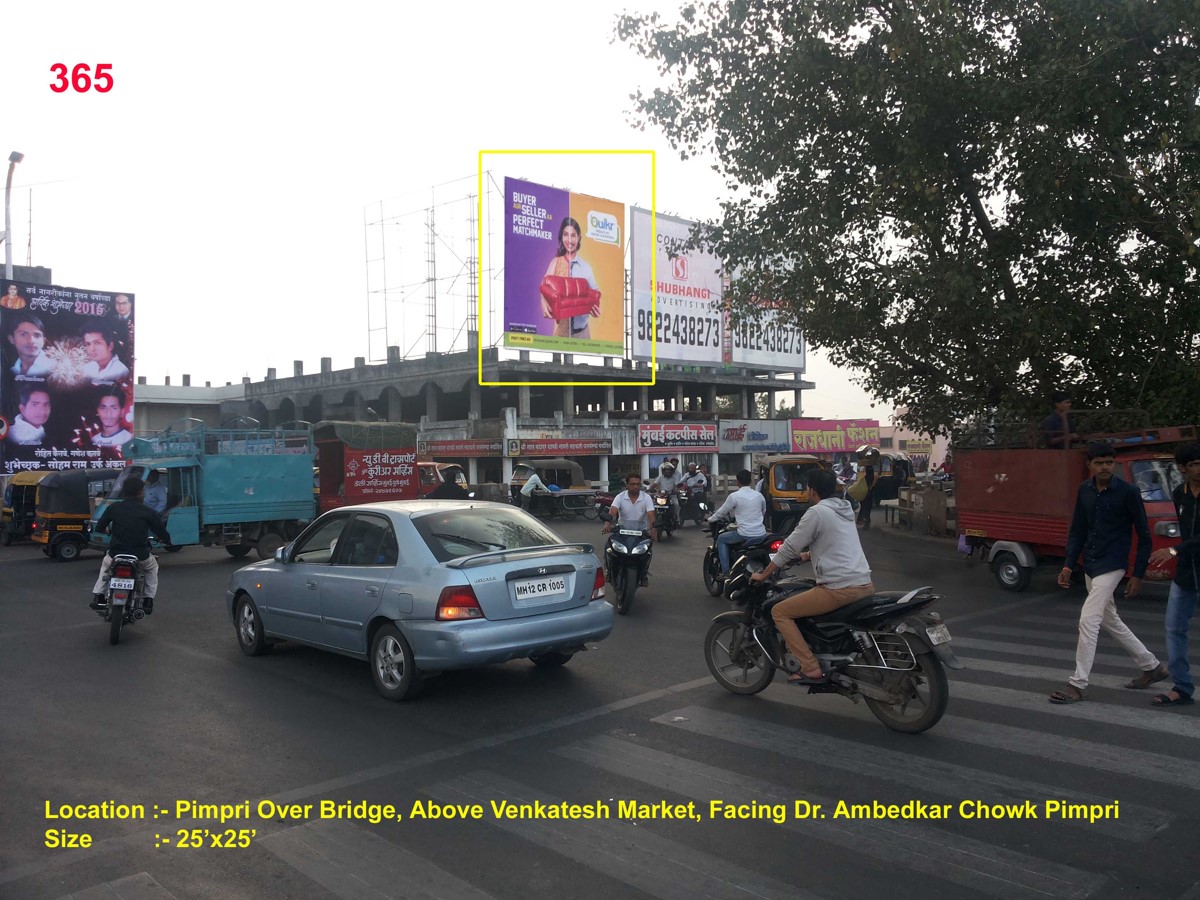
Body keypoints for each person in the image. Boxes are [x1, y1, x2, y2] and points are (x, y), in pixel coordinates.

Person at [1049, 441, 1166, 704]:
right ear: (1089, 465)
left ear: (1114, 464)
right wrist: (1068, 564)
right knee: (1110, 619)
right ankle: (1152, 666)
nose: (1104, 467)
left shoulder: (1128, 492)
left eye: (1109, 462)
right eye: (1099, 462)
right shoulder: (1085, 490)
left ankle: (1077, 684)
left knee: (1088, 620)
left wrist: (1137, 575)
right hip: (1091, 562)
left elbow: (1144, 537)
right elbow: (1078, 529)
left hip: (1113, 565)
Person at [750, 468, 874, 684]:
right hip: (864, 583)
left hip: (838, 588)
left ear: (813, 491)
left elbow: (788, 547)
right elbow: (835, 542)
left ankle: (810, 666)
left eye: (807, 488)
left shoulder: (817, 512)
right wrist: (807, 555)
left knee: (780, 611)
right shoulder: (844, 509)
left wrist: (764, 574)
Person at [1146, 441, 1200, 707]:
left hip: (1188, 561)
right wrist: (1177, 555)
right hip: (1186, 574)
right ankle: (1182, 687)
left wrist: (1175, 551)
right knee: (1174, 628)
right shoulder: (1179, 493)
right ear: (1182, 468)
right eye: (1194, 464)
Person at [90, 475, 171, 614]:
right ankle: (148, 600)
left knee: (105, 565)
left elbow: (99, 527)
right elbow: (161, 531)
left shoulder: (114, 508)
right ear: (140, 492)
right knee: (152, 568)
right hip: (140, 555)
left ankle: (99, 596)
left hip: (116, 553)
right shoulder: (147, 511)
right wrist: (166, 540)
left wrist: (107, 530)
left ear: (124, 492)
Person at [542, 217, 600, 339]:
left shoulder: (586, 267)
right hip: (561, 333)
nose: (569, 240)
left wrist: (595, 308)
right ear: (561, 237)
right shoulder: (556, 263)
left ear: (579, 237)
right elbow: (543, 287)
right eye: (565, 235)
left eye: (573, 235)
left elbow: (595, 293)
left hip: (582, 333)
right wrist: (543, 301)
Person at [708, 469, 767, 573]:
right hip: (761, 534)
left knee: (721, 539)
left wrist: (711, 519)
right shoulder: (759, 496)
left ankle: (726, 572)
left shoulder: (734, 496)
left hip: (745, 534)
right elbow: (763, 512)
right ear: (750, 481)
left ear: (738, 482)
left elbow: (721, 512)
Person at [603, 473, 657, 585]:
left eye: (638, 484)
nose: (636, 486)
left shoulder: (646, 498)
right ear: (627, 485)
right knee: (608, 547)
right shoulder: (620, 497)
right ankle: (608, 570)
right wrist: (607, 524)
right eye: (632, 484)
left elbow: (651, 515)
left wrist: (653, 531)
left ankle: (644, 574)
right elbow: (612, 512)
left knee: (647, 552)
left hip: (641, 532)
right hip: (622, 531)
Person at [7, 313, 53, 379]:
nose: (31, 341)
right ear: (11, 339)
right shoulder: (13, 371)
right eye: (23, 335)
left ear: (43, 341)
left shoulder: (54, 370)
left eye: (37, 335)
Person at [649, 460, 683, 527]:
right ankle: (652, 519)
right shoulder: (660, 477)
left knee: (676, 504)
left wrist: (677, 489)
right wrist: (650, 488)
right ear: (663, 470)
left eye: (669, 470)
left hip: (671, 495)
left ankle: (678, 519)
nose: (667, 471)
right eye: (666, 470)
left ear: (672, 471)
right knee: (652, 504)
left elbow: (678, 485)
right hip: (661, 495)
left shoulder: (674, 477)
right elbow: (655, 484)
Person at [856, 463, 877, 529]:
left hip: (863, 495)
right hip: (867, 495)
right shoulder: (871, 478)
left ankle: (861, 520)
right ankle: (865, 523)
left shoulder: (864, 478)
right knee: (867, 510)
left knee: (864, 508)